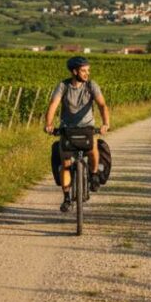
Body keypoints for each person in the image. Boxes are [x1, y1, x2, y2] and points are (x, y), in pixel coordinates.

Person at [44, 56, 111, 212]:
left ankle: (94, 175)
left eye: (88, 70)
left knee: (93, 147)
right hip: (67, 129)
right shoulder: (63, 86)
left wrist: (105, 123)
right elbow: (53, 105)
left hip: (87, 127)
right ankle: (66, 197)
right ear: (74, 71)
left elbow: (102, 104)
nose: (87, 73)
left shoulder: (91, 85)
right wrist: (48, 124)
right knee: (66, 164)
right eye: (83, 70)